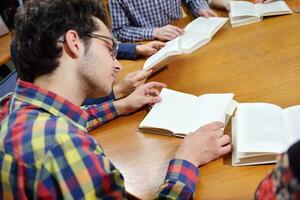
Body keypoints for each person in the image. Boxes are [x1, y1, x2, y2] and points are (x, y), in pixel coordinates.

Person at [0, 0, 231, 199]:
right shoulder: (64, 149)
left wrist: (120, 106)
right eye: (109, 47)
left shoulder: (12, 104)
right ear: (74, 42)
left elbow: (71, 116)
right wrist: (187, 160)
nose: (117, 64)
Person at [109, 0, 218, 42]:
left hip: (182, 34)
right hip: (148, 45)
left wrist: (200, 9)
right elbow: (119, 31)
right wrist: (154, 32)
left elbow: (192, 1)